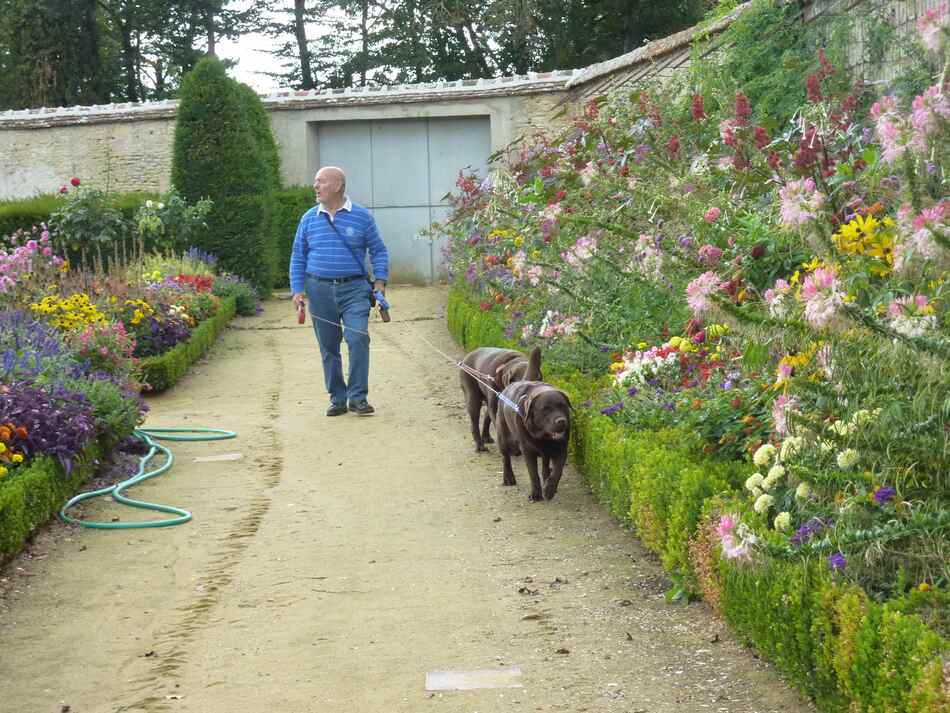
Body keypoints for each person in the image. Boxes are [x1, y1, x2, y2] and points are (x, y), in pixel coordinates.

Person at [289, 166, 389, 417]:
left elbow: (378, 250)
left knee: (358, 338)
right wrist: (297, 290)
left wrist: (380, 282)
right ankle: (338, 397)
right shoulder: (309, 218)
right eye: (316, 182)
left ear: (337, 185)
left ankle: (358, 397)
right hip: (319, 290)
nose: (316, 186)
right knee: (329, 346)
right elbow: (297, 256)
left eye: (320, 182)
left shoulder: (362, 216)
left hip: (355, 289)